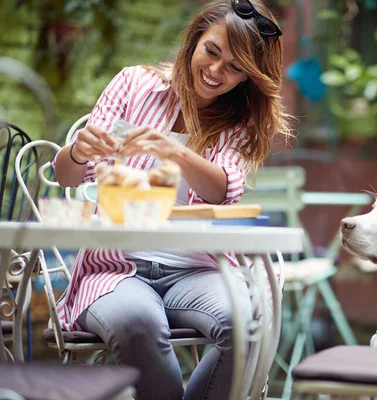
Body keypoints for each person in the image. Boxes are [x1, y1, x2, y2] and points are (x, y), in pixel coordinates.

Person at [52, 1, 290, 399]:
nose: (216, 72)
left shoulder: (240, 119)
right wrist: (78, 151)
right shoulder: (134, 84)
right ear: (194, 41)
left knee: (250, 324)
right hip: (115, 266)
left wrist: (174, 151)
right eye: (211, 52)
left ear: (248, 77)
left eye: (234, 67)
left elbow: (223, 191)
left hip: (197, 269)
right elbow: (67, 175)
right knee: (138, 322)